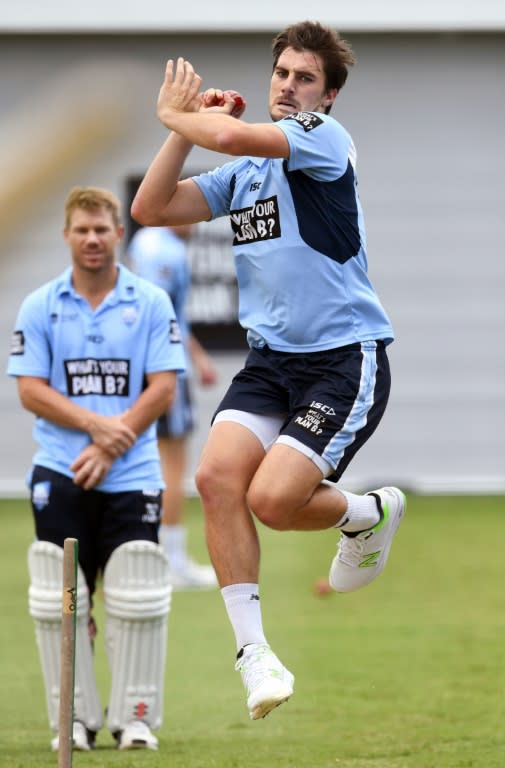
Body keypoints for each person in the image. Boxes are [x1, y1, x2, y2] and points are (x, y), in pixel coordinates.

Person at [131, 20, 406, 721]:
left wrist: (181, 113)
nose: (287, 85)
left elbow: (230, 135)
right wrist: (182, 131)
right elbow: (151, 208)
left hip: (343, 359)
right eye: (281, 72)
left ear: (328, 94)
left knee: (274, 502)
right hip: (271, 360)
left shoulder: (322, 139)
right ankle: (254, 656)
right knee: (215, 478)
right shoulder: (245, 174)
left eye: (304, 77)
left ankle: (367, 512)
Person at [7, 186, 186, 751]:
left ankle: (135, 719)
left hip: (132, 472)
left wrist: (113, 443)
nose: (91, 239)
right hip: (60, 470)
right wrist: (94, 428)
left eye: (101, 230)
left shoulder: (151, 301)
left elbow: (163, 386)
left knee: (137, 593)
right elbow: (30, 390)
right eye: (81, 230)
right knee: (64, 599)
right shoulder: (41, 305)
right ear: (67, 236)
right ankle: (75, 720)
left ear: (119, 234)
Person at [127, 223, 218, 590]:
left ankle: (143, 557)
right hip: (161, 367)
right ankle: (171, 561)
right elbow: (156, 314)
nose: (196, 222)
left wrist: (197, 357)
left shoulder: (143, 240)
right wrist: (162, 372)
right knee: (172, 460)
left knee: (143, 459)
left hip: (139, 364)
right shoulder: (167, 250)